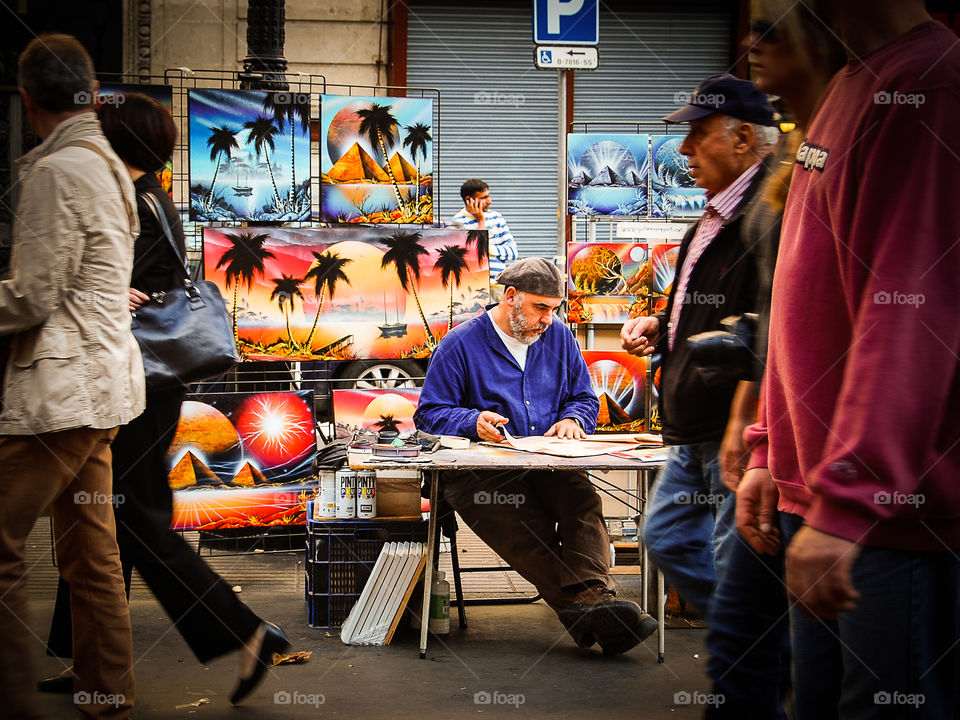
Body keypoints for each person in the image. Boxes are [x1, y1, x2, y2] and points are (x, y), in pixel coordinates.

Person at [738, 1, 960, 718]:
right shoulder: (847, 88)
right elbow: (803, 299)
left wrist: (853, 500)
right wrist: (771, 446)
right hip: (825, 497)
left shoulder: (928, 84)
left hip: (891, 519)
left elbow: (911, 314)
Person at [37, 93, 290, 707]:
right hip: (147, 382)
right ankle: (88, 660)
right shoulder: (148, 193)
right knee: (105, 516)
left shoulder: (136, 202)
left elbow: (107, 285)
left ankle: (247, 630)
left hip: (140, 384)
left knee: (132, 514)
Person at [704, 6, 846, 718]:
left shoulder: (880, 121)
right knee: (739, 650)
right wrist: (761, 441)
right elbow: (780, 321)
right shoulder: (808, 147)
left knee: (817, 679)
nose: (752, 44)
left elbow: (887, 330)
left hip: (837, 472)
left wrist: (750, 428)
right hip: (786, 455)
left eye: (774, 25)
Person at [0, 34, 143, 720]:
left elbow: (33, 296)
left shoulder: (57, 172)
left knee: (1, 543)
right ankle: (106, 688)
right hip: (104, 390)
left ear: (29, 103)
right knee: (91, 550)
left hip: (60, 396)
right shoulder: (110, 167)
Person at [414, 257, 656, 655]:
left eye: (554, 308)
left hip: (547, 458)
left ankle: (591, 606)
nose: (549, 318)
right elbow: (428, 413)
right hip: (480, 471)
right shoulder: (460, 343)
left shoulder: (559, 338)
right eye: (540, 307)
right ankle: (596, 608)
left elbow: (582, 398)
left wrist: (573, 421)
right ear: (510, 297)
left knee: (583, 503)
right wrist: (472, 420)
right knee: (527, 532)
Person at [619, 75, 779, 618]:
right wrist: (659, 326)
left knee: (735, 560)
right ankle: (753, 634)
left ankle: (757, 648)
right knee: (666, 538)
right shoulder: (711, 216)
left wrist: (744, 421)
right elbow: (707, 307)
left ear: (742, 140)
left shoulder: (767, 214)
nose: (684, 149)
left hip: (733, 428)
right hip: (693, 428)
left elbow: (770, 325)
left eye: (698, 133)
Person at [450, 178, 518, 281]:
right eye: (484, 197)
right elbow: (474, 257)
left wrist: (489, 249)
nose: (490, 201)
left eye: (488, 196)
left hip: (498, 283)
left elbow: (513, 252)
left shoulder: (497, 218)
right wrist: (481, 221)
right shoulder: (457, 223)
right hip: (473, 284)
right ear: (469, 200)